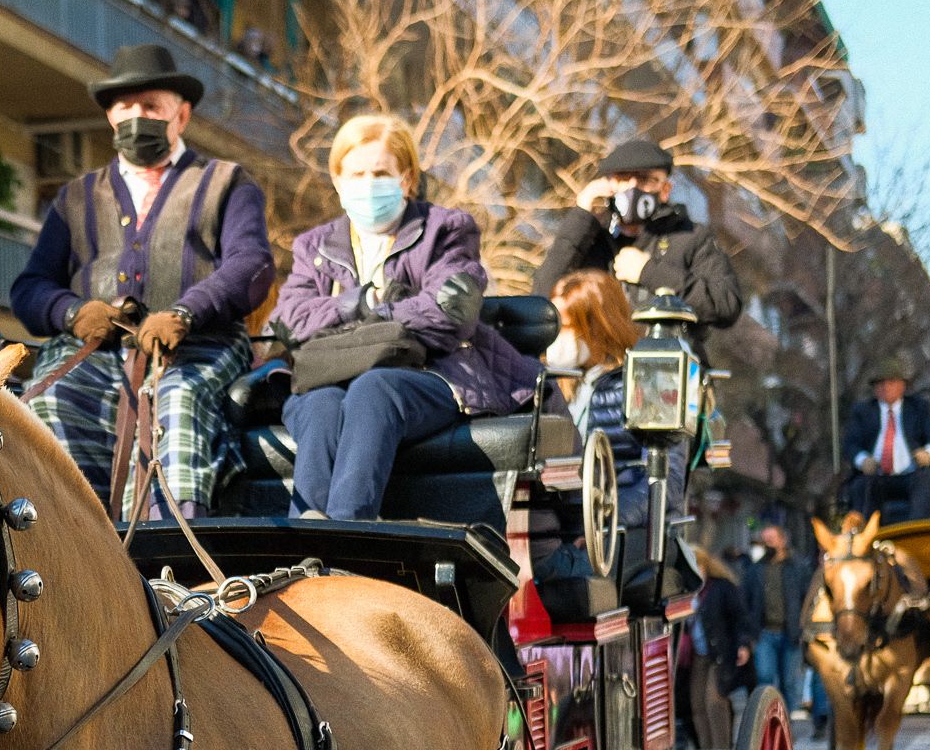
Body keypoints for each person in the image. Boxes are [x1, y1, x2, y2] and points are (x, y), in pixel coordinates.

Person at [11, 43, 275, 519]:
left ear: (182, 115)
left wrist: (186, 313)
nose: (138, 117)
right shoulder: (76, 197)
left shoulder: (227, 183)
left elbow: (251, 266)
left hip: (199, 346)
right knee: (47, 403)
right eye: (126, 107)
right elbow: (30, 288)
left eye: (151, 106)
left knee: (177, 402)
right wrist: (73, 313)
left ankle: (172, 562)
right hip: (96, 352)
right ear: (111, 118)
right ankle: (73, 544)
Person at [271, 114, 540, 520]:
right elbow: (290, 319)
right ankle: (304, 543)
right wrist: (360, 305)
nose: (367, 183)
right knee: (321, 405)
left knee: (374, 389)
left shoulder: (445, 229)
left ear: (407, 178)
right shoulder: (314, 246)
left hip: (431, 373)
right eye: (356, 173)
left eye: (380, 172)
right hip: (327, 378)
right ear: (338, 181)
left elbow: (450, 311)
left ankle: (347, 533)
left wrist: (355, 319)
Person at [531, 137, 743, 344]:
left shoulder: (690, 237)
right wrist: (581, 216)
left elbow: (726, 305)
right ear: (608, 185)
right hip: (603, 369)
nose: (633, 187)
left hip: (671, 368)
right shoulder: (592, 238)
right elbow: (543, 295)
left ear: (665, 189)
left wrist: (650, 272)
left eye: (645, 179)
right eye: (623, 178)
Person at [545, 269, 689, 530]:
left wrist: (607, 523)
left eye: (565, 327)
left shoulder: (644, 384)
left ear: (597, 327)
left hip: (622, 539)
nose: (556, 338)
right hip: (571, 530)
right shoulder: (555, 386)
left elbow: (666, 479)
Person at [734, 524, 824, 737]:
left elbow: (807, 598)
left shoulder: (798, 567)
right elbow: (745, 604)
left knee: (789, 682)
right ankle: (766, 722)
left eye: (772, 538)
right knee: (764, 676)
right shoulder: (755, 570)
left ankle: (784, 726)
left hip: (790, 633)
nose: (768, 543)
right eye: (765, 539)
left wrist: (806, 627)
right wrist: (747, 637)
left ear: (783, 540)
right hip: (764, 632)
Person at [841, 358, 930, 521]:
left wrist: (928, 454)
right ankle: (867, 538)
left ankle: (916, 533)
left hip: (911, 474)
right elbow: (850, 445)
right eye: (880, 383)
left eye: (891, 382)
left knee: (926, 482)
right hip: (876, 476)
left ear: (902, 385)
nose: (885, 387)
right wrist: (863, 461)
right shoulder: (863, 411)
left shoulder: (918, 408)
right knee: (861, 487)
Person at [691, 546, 756, 750]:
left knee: (714, 701)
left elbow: (741, 619)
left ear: (704, 566)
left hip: (720, 653)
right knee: (697, 705)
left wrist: (743, 645)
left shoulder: (722, 587)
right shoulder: (688, 591)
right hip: (697, 654)